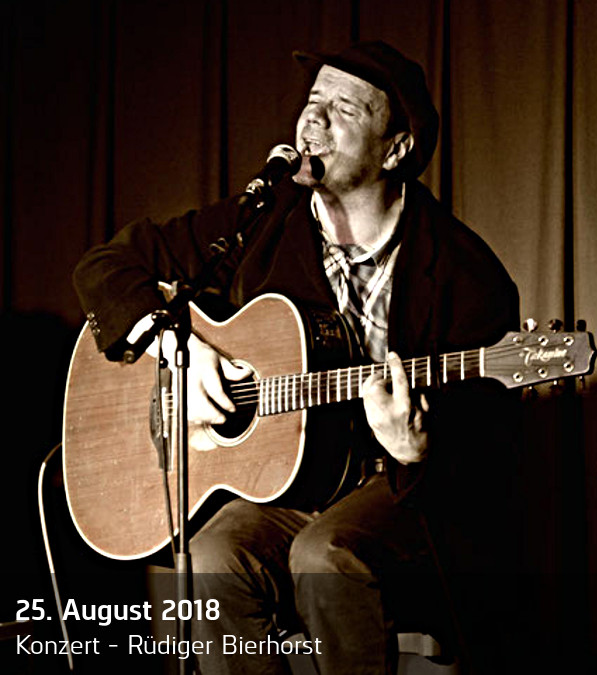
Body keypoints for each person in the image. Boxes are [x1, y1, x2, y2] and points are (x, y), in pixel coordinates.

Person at [73, 41, 521, 674]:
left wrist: (418, 450)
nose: (314, 119)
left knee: (324, 556)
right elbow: (107, 266)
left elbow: (489, 450)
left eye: (345, 109)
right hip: (297, 483)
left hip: (397, 492)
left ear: (396, 150)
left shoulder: (465, 274)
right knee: (213, 560)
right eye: (314, 101)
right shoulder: (262, 222)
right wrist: (180, 348)